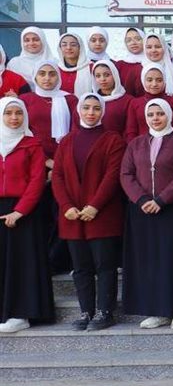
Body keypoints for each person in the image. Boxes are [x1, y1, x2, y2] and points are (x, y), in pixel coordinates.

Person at [52, 93, 125, 331]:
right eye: (86, 108)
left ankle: (105, 311)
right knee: (81, 267)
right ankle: (86, 311)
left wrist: (95, 205)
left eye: (96, 108)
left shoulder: (113, 139)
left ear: (102, 111)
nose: (91, 112)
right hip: (73, 216)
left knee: (105, 265)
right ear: (79, 110)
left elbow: (112, 176)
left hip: (102, 214)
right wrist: (66, 206)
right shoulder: (67, 141)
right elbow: (58, 176)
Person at [119, 98, 173, 329]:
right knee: (149, 261)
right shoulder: (136, 144)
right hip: (142, 211)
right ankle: (157, 310)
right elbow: (126, 174)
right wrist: (142, 199)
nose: (155, 118)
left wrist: (162, 199)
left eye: (160, 113)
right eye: (151, 114)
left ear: (168, 114)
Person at [0, 98, 53, 334]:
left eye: (18, 113)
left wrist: (19, 211)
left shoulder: (32, 145)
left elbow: (36, 181)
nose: (14, 118)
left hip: (24, 212)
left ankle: (20, 314)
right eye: (8, 113)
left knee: (20, 264)